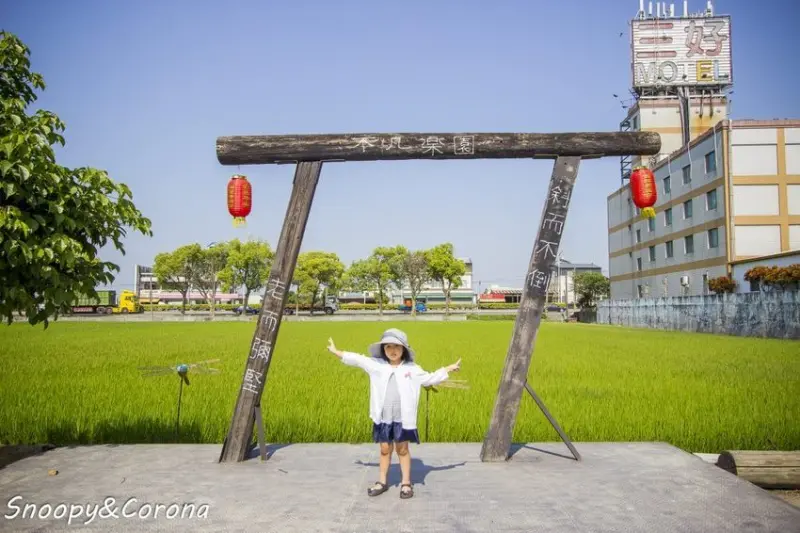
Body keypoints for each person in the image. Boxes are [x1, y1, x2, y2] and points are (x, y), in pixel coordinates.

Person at [326, 328, 461, 499]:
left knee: (402, 449)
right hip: (384, 418)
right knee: (384, 449)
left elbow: (429, 378)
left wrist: (448, 368)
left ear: (404, 349)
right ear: (383, 349)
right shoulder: (377, 365)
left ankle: (406, 483)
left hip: (402, 418)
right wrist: (336, 351)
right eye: (388, 346)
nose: (392, 350)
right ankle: (382, 481)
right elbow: (358, 359)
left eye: (397, 346)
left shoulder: (412, 369)